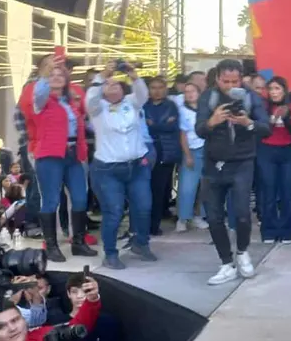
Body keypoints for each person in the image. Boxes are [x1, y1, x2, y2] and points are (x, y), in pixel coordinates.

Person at [196, 59, 271, 285]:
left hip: (242, 163)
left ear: (241, 79)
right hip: (213, 164)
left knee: (241, 213)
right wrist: (212, 121)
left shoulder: (251, 97)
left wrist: (248, 122)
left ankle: (242, 252)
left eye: (234, 81)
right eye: (225, 81)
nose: (230, 86)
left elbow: (266, 128)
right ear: (217, 78)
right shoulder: (208, 97)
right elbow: (199, 130)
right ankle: (226, 263)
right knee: (214, 216)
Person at [87, 61, 158, 269]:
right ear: (102, 90)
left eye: (117, 84)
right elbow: (90, 97)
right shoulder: (97, 108)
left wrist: (132, 74)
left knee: (144, 207)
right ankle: (110, 253)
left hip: (137, 166)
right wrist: (103, 75)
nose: (113, 87)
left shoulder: (131, 102)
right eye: (108, 85)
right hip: (108, 169)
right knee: (114, 211)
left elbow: (143, 93)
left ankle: (141, 243)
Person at [25, 55, 90, 262]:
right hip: (50, 155)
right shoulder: (41, 100)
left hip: (72, 154)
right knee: (51, 200)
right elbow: (39, 92)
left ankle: (78, 242)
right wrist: (45, 74)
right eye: (51, 74)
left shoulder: (70, 102)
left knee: (80, 197)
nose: (56, 77)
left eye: (60, 74)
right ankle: (51, 246)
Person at [257, 76, 291, 243]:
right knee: (269, 191)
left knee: (287, 192)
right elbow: (261, 131)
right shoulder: (263, 107)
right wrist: (273, 119)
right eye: (271, 89)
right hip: (267, 150)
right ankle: (268, 230)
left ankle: (287, 231)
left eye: (277, 89)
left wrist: (287, 117)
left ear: (284, 90)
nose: (274, 92)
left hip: (288, 150)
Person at [144, 76, 181, 236]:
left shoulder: (171, 106)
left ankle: (154, 225)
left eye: (160, 87)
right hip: (146, 152)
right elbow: (145, 128)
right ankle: (142, 224)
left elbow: (172, 127)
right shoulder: (143, 106)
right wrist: (162, 124)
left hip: (165, 152)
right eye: (153, 87)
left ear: (165, 89)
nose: (157, 91)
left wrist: (154, 125)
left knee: (159, 190)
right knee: (145, 190)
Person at [176, 81, 209, 232]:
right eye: (186, 92)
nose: (189, 94)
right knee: (187, 188)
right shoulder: (182, 111)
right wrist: (188, 155)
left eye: (192, 91)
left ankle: (199, 216)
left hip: (207, 150)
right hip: (191, 151)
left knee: (205, 186)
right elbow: (183, 135)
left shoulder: (206, 110)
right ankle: (183, 218)